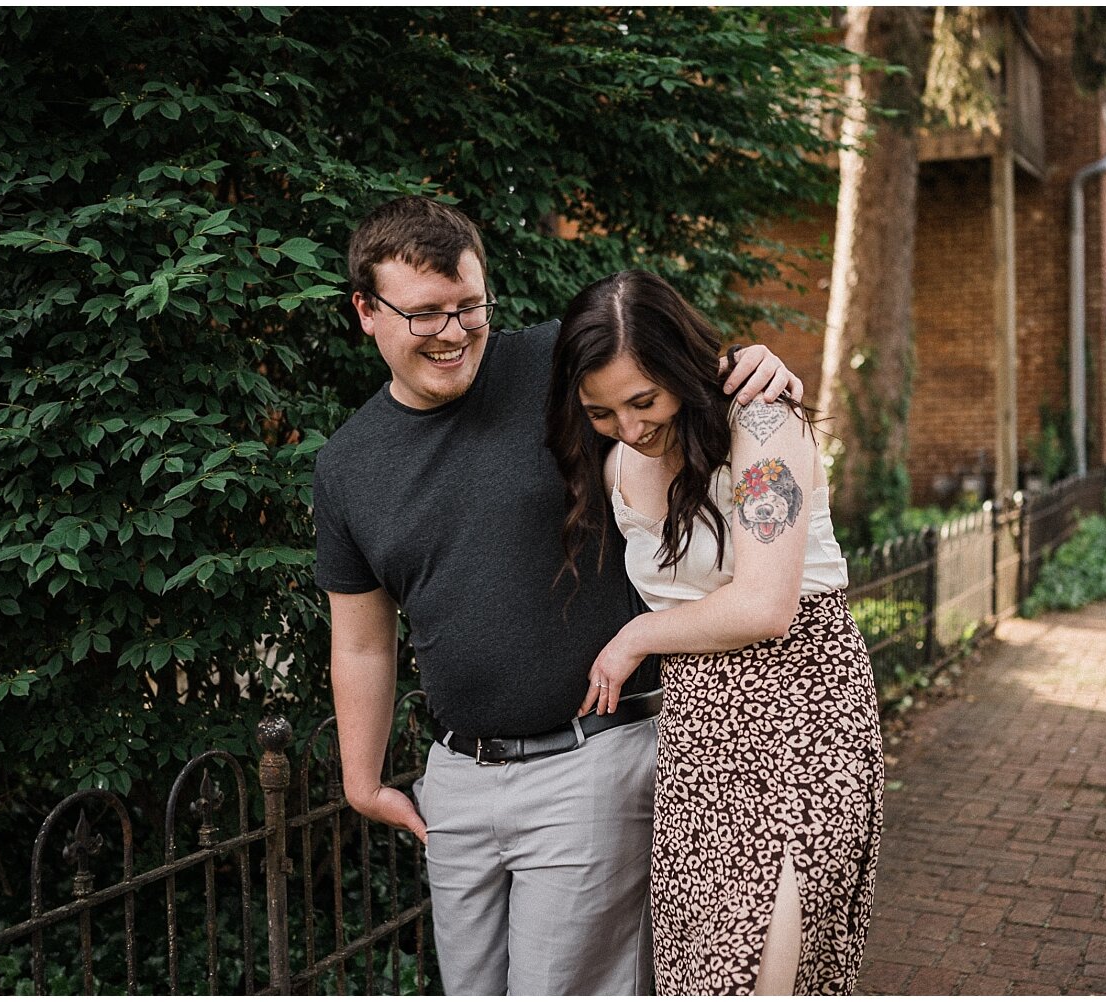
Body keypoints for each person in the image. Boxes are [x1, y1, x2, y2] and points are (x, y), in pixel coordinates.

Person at [312, 196, 801, 995]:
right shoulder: (346, 466)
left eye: (470, 306)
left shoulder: (552, 364)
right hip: (456, 781)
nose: (454, 331)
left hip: (589, 760)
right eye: (425, 313)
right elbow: (363, 639)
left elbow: (670, 378)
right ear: (366, 311)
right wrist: (362, 782)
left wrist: (755, 365)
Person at [544, 269, 883, 996]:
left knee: (762, 963)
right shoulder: (613, 464)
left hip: (805, 719)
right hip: (700, 733)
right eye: (602, 413)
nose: (630, 427)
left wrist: (636, 638)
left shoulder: (763, 425)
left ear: (679, 368)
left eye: (644, 400)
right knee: (703, 970)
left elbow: (766, 606)